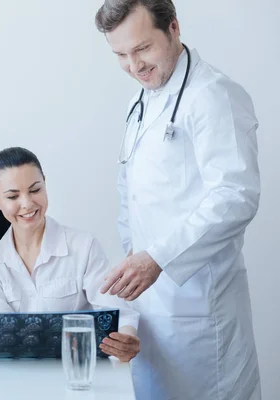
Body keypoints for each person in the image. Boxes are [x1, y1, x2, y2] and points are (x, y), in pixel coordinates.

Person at [94, 1, 261, 399]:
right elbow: (133, 194)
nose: (134, 66)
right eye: (120, 55)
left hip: (202, 314)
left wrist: (156, 257)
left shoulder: (214, 95)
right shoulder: (143, 102)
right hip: (152, 313)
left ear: (173, 28)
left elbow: (236, 196)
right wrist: (136, 256)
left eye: (142, 49)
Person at [0, 147, 140, 362]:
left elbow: (117, 312)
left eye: (35, 190)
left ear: (45, 184)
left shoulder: (83, 246)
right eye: (13, 196)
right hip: (17, 378)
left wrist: (126, 338)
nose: (27, 203)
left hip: (77, 371)